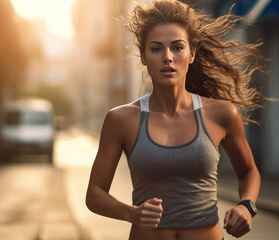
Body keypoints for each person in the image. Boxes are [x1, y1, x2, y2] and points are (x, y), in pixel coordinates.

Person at [86, 0, 263, 239]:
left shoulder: (222, 114)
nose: (167, 57)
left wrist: (246, 206)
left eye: (177, 47)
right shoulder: (121, 119)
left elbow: (249, 171)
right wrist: (131, 213)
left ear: (191, 54)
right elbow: (95, 194)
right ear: (144, 56)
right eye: (156, 48)